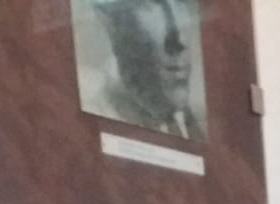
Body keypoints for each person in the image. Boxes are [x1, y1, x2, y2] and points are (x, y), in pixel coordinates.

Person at [88, 0, 206, 140]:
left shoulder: (202, 122)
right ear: (111, 24)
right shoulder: (92, 123)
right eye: (151, 3)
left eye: (181, 3)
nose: (180, 41)